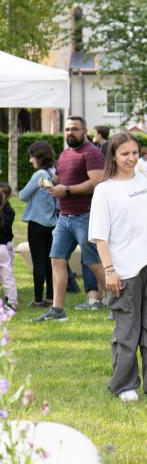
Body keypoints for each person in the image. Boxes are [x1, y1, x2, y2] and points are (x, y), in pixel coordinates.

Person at [89, 132, 147, 403]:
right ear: (113, 157)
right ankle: (124, 385)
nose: (131, 158)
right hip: (124, 269)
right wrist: (108, 270)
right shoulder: (105, 190)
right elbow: (100, 236)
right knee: (127, 329)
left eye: (134, 152)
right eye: (125, 154)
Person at [32, 116, 106, 322]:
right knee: (56, 259)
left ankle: (121, 303)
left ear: (84, 131)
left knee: (94, 262)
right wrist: (47, 181)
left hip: (86, 216)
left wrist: (67, 191)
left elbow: (96, 182)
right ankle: (57, 310)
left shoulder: (92, 153)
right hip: (64, 218)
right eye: (66, 129)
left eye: (74, 129)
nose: (70, 133)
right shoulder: (65, 154)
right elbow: (60, 178)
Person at [19, 141, 58, 308]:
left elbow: (22, 196)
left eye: (31, 156)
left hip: (36, 225)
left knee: (38, 262)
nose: (30, 160)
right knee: (50, 261)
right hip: (53, 224)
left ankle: (37, 299)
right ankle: (50, 297)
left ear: (39, 157)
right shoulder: (55, 172)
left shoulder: (38, 175)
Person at [0, 184, 17, 311]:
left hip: (5, 247)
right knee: (8, 275)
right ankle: (12, 302)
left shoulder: (9, 212)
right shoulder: (7, 212)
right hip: (3, 248)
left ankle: (11, 301)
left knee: (7, 275)